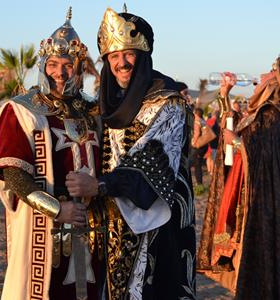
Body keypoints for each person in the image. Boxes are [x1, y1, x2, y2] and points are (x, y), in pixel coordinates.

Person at [65, 8, 196, 299]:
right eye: (113, 56)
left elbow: (153, 163)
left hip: (154, 221)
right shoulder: (106, 103)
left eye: (129, 54)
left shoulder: (167, 102)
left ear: (144, 55)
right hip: (108, 221)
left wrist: (99, 185)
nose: (121, 63)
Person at [0, 9, 102, 299]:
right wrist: (57, 209)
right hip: (44, 231)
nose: (59, 72)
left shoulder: (93, 111)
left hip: (93, 230)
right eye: (53, 64)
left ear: (79, 69)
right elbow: (13, 174)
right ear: (43, 65)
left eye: (68, 65)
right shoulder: (22, 110)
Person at [197, 55, 280, 299]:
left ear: (276, 82)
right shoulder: (266, 112)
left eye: (270, 72)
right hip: (253, 193)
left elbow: (254, 148)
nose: (262, 75)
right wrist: (225, 94)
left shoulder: (274, 114)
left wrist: (236, 142)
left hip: (261, 198)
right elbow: (239, 126)